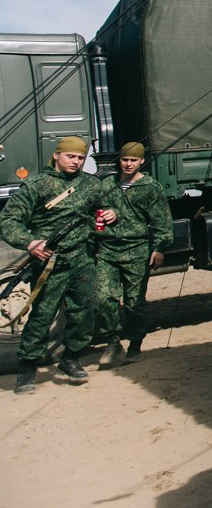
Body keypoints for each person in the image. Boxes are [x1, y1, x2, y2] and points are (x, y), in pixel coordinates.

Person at [1, 136, 113, 394]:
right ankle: (27, 368)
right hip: (50, 262)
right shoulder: (37, 185)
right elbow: (8, 222)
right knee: (42, 316)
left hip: (82, 259)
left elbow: (103, 207)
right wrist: (30, 243)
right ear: (56, 155)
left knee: (84, 312)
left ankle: (70, 359)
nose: (75, 161)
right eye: (70, 156)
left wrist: (110, 214)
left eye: (80, 158)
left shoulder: (90, 184)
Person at [94, 141, 173, 368]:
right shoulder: (106, 184)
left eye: (133, 160)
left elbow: (161, 220)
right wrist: (102, 219)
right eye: (125, 159)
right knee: (103, 299)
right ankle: (112, 341)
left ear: (141, 161)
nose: (128, 164)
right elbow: (93, 212)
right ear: (119, 160)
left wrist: (159, 248)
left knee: (134, 303)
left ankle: (135, 345)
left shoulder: (150, 187)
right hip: (107, 250)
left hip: (137, 250)